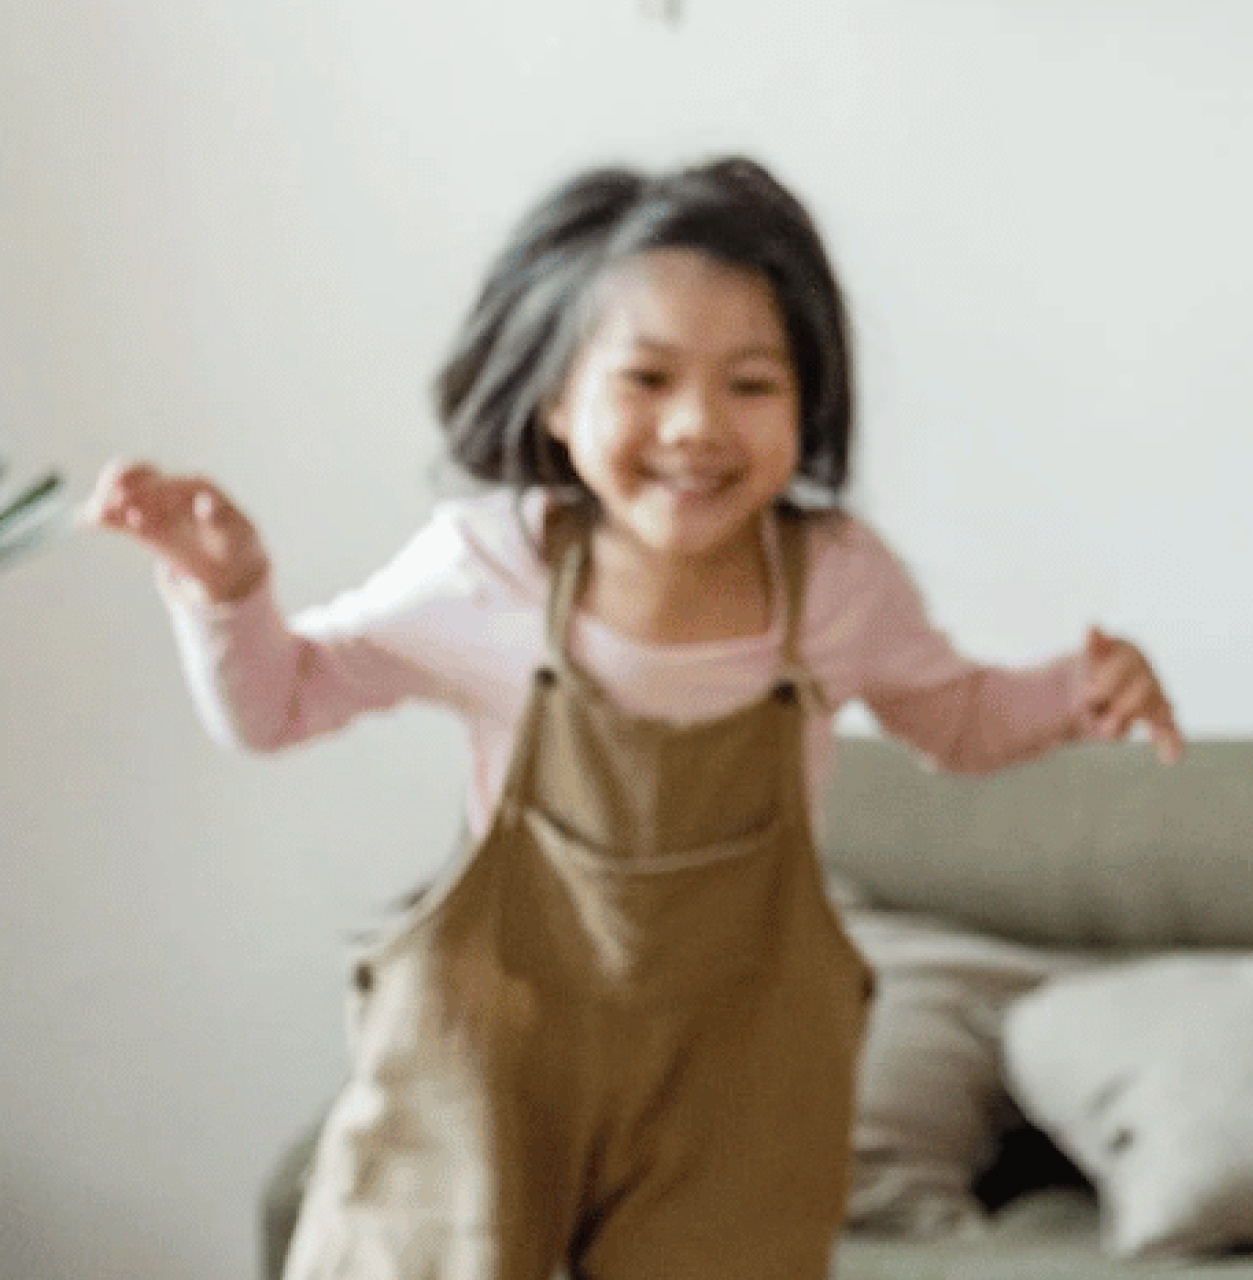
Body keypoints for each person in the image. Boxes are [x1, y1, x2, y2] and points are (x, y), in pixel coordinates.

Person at [82, 157, 1183, 1280]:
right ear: (558, 401)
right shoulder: (489, 566)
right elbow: (278, 703)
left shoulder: (838, 583)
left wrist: (1073, 694)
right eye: (647, 378)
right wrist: (226, 594)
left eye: (751, 384)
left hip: (735, 1082)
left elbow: (956, 720)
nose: (697, 424)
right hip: (487, 1061)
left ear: (809, 403)